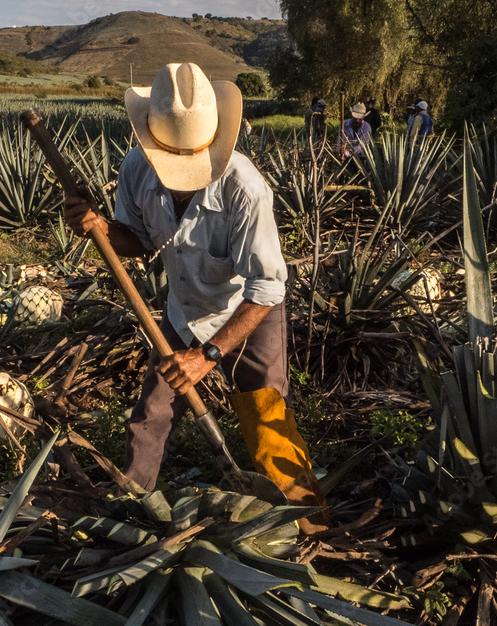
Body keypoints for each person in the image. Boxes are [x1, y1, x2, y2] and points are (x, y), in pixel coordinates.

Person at [65, 61, 326, 519]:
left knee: (265, 408)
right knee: (153, 408)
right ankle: (132, 503)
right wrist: (101, 229)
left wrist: (207, 357)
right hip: (185, 308)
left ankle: (308, 516)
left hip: (247, 307)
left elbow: (267, 286)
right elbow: (140, 241)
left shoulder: (245, 189)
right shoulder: (137, 167)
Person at [337, 102, 372, 170]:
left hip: (362, 160)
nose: (357, 120)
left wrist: (347, 152)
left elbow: (362, 146)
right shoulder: (344, 125)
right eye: (355, 118)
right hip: (346, 159)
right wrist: (341, 151)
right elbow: (340, 141)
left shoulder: (366, 127)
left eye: (359, 118)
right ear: (351, 116)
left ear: (363, 118)